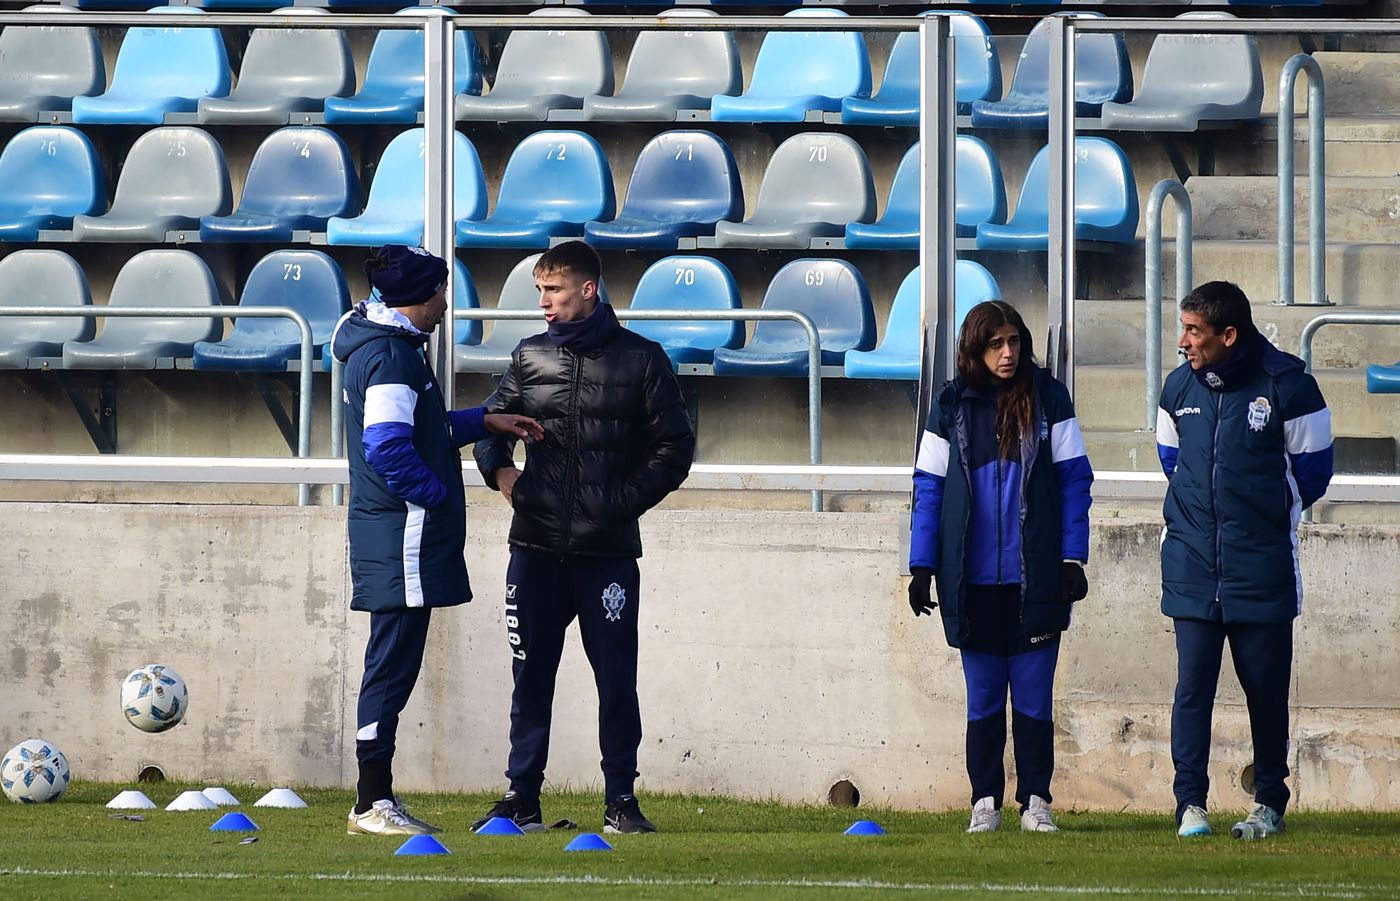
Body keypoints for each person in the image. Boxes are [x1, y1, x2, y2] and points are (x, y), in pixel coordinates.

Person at [471, 240, 695, 835]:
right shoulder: (528, 356)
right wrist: (504, 476)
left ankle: (621, 800)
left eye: (554, 290)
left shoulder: (642, 360)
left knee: (616, 680)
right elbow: (489, 427)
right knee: (530, 678)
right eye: (539, 291)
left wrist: (618, 504)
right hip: (534, 551)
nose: (543, 302)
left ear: (588, 289)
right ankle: (522, 799)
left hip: (607, 556)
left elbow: (676, 449)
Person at [333, 244, 543, 837]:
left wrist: (484, 421)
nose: (447, 304)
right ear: (422, 296)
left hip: (395, 532)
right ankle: (372, 802)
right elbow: (387, 447)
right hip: (402, 536)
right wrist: (439, 494)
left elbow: (421, 428)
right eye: (442, 292)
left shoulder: (387, 346)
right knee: (390, 668)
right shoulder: (389, 356)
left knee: (392, 665)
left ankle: (374, 797)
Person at [907, 300, 1094, 834]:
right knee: (984, 699)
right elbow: (928, 487)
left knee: (1034, 700)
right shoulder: (949, 404)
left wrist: (1072, 556)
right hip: (971, 584)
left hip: (1036, 580)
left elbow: (1074, 479)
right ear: (975, 348)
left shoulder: (1049, 397)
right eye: (995, 344)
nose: (1007, 353)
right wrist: (922, 565)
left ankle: (1036, 801)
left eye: (1014, 341)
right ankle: (984, 802)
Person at [1156, 281, 1332, 840]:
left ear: (1228, 335)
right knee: (1192, 691)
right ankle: (1190, 804)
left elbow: (1313, 473)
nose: (1183, 341)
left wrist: (1257, 515)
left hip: (1260, 567)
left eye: (1194, 331)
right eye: (1183, 328)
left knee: (1266, 692)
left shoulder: (1290, 387)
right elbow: (1173, 462)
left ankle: (1270, 803)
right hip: (1192, 566)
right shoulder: (1177, 386)